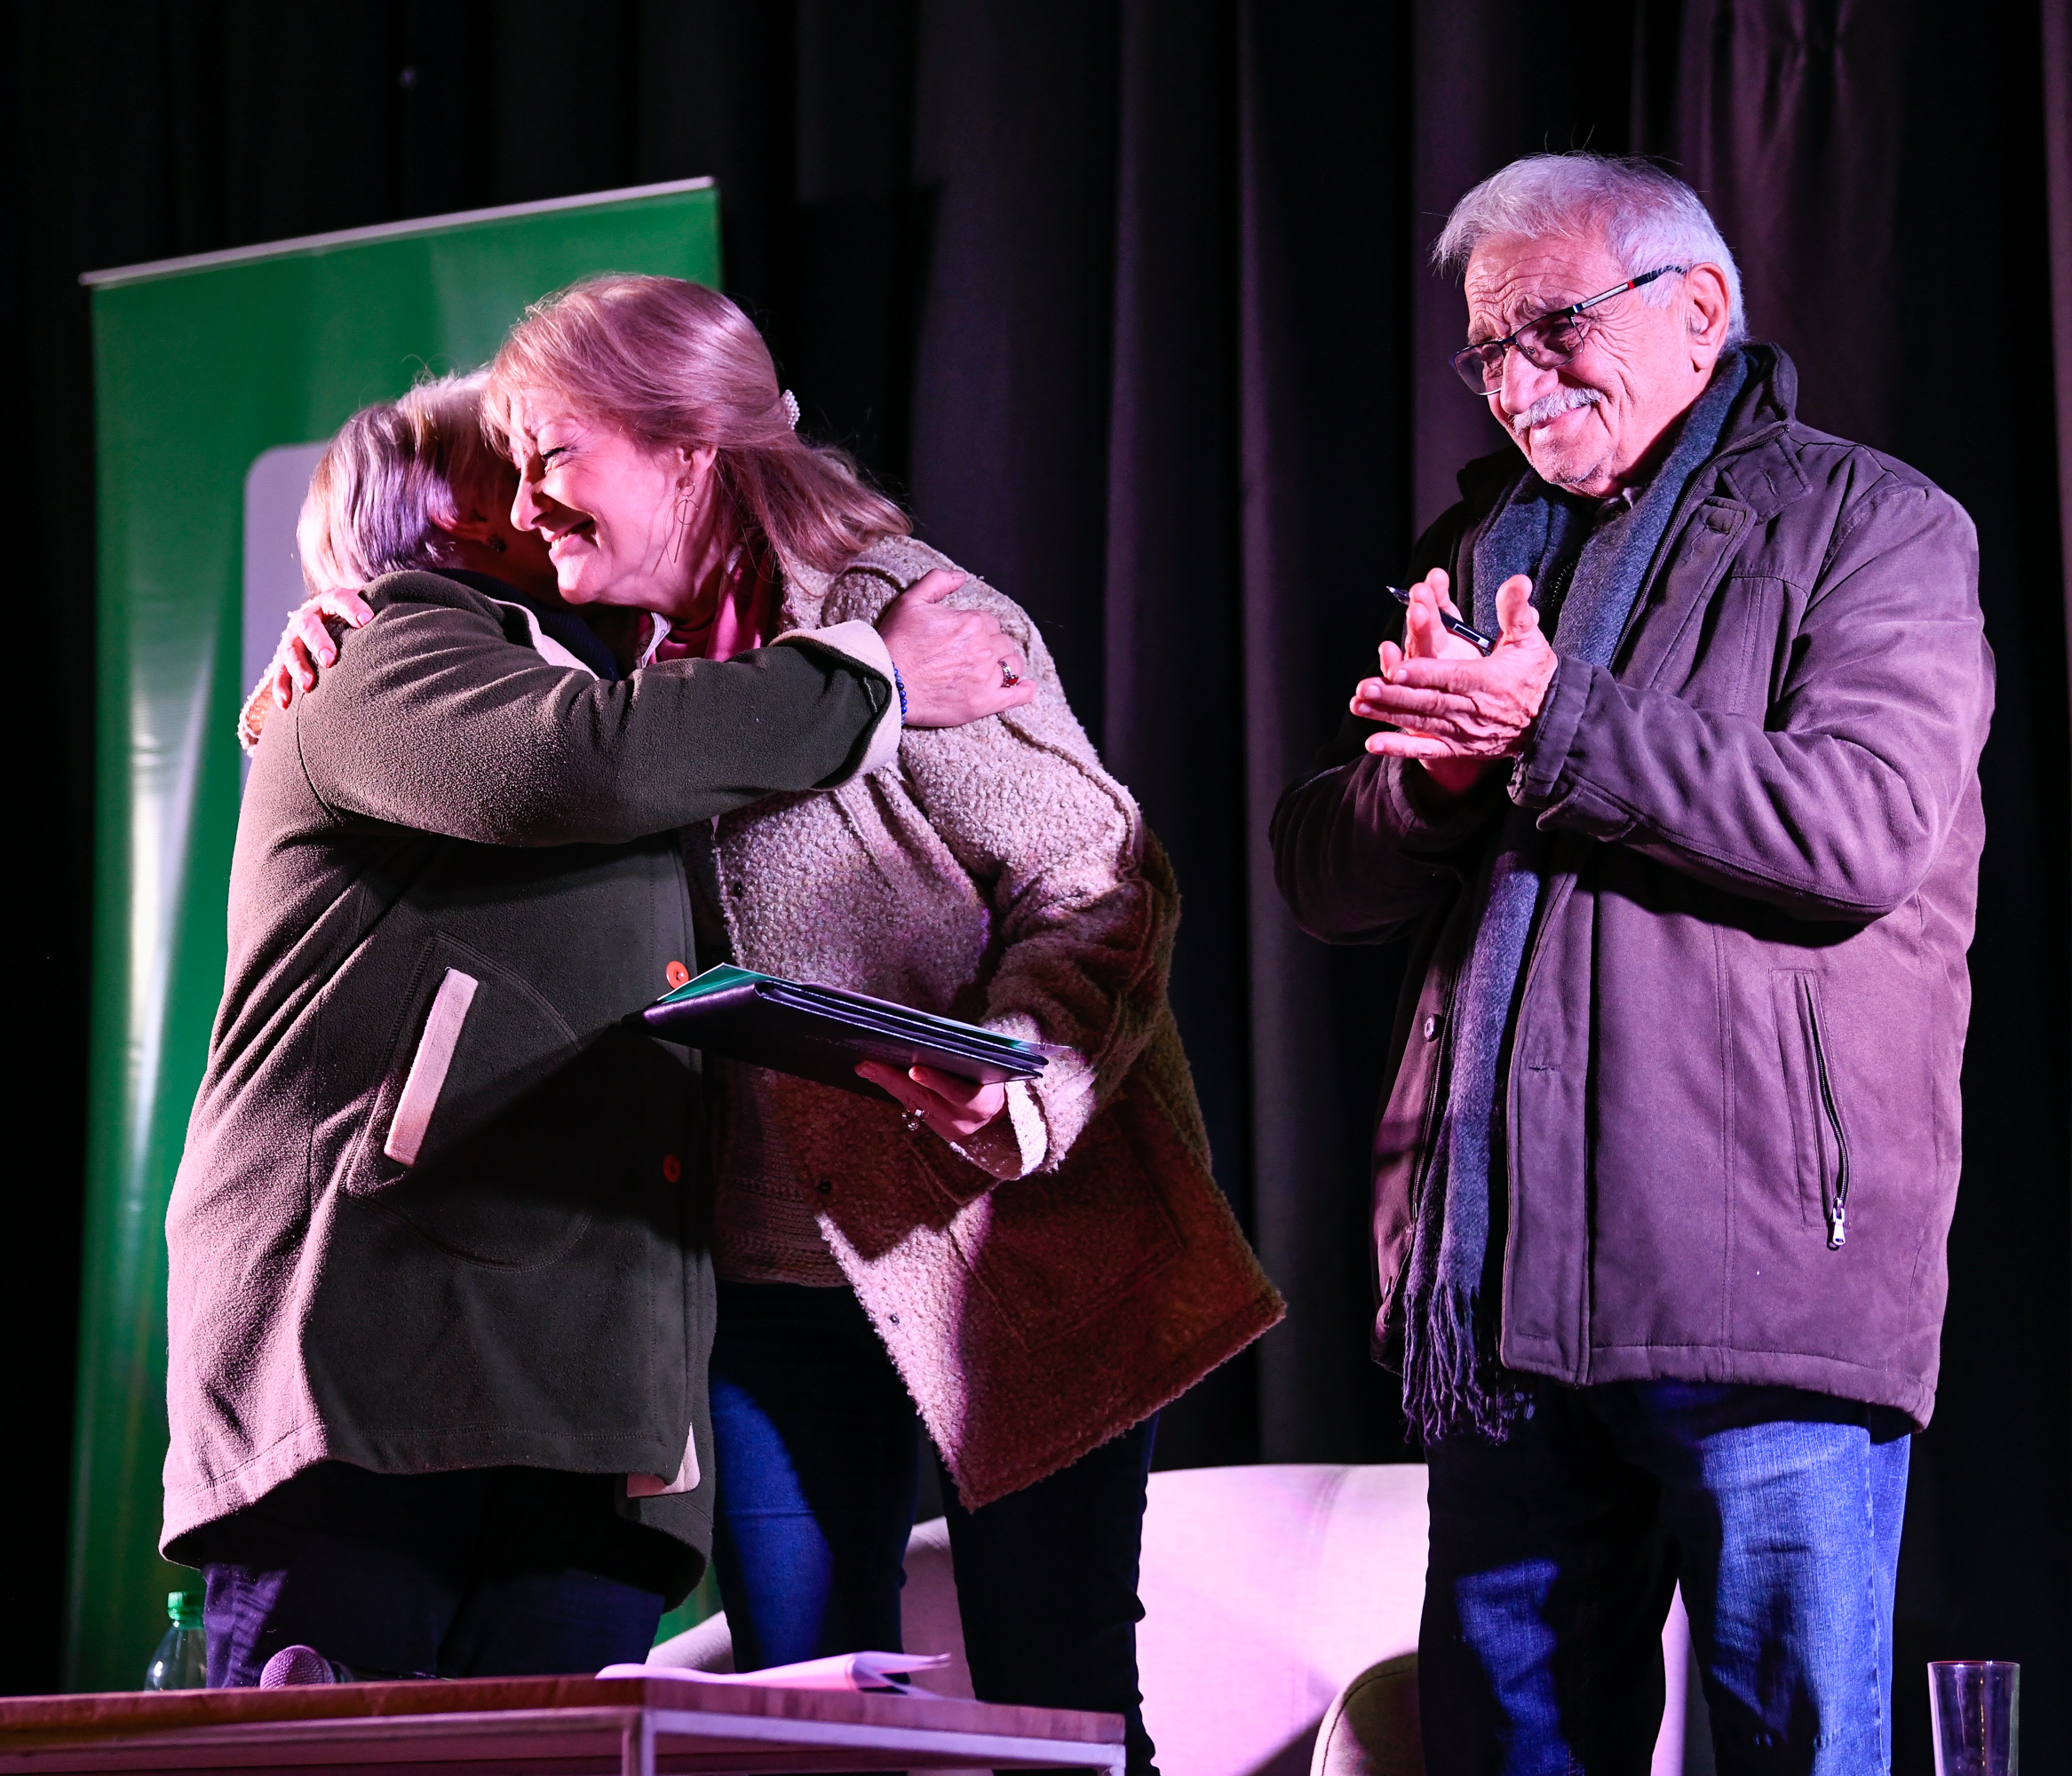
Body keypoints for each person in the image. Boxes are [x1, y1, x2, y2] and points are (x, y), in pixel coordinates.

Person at [267, 276, 1280, 1771]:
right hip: (771, 1296)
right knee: (797, 1729)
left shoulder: (913, 618)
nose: (526, 501)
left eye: (551, 456)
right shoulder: (626, 673)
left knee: (1052, 1714)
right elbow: (512, 738)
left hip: (1015, 1249)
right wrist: (334, 619)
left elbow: (1100, 880)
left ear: (687, 449)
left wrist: (1029, 1081)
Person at [1270, 155, 1992, 1774]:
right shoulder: (1477, 547)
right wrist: (1443, 784)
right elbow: (1320, 865)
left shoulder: (1871, 524)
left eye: (1552, 331)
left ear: (1699, 310)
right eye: (1486, 352)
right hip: (1506, 1297)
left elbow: (1861, 827)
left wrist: (1549, 723)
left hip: (1762, 1287)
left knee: (1792, 1748)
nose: (1517, 385)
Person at [165, 372, 1028, 1686]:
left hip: (580, 1435)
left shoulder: (632, 694)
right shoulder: (389, 647)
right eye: (516, 457)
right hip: (376, 1406)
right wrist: (873, 679)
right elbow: (581, 761)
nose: (555, 483)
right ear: (453, 511)